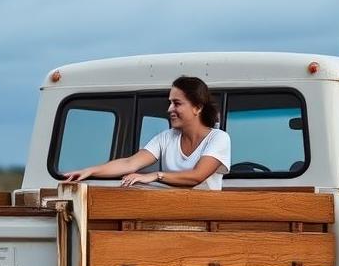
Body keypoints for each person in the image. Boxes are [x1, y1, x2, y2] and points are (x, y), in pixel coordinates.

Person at [62, 76, 231, 189]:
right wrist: (91, 171)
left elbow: (197, 176)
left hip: (206, 216)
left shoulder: (218, 138)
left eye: (177, 103)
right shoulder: (166, 137)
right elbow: (130, 163)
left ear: (197, 107)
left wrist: (155, 176)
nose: (169, 109)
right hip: (173, 210)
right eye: (170, 103)